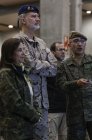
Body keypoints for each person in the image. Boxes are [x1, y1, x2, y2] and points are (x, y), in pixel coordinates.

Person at [14, 5, 57, 140]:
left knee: (43, 137)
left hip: (43, 103)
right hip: (26, 101)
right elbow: (30, 65)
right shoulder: (16, 41)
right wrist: (44, 64)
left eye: (38, 16)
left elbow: (54, 67)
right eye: (33, 16)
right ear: (22, 20)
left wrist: (39, 65)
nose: (37, 19)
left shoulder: (41, 42)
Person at [0, 38, 41, 140]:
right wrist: (35, 115)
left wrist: (38, 111)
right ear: (10, 54)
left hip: (27, 125)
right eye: (20, 50)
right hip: (14, 129)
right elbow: (14, 102)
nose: (24, 53)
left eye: (24, 50)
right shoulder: (5, 74)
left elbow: (32, 95)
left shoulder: (22, 72)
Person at [47, 42, 67, 140]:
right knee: (51, 137)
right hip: (52, 110)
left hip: (65, 109)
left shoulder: (66, 66)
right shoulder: (48, 67)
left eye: (64, 50)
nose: (63, 52)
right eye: (60, 50)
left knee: (65, 137)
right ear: (53, 52)